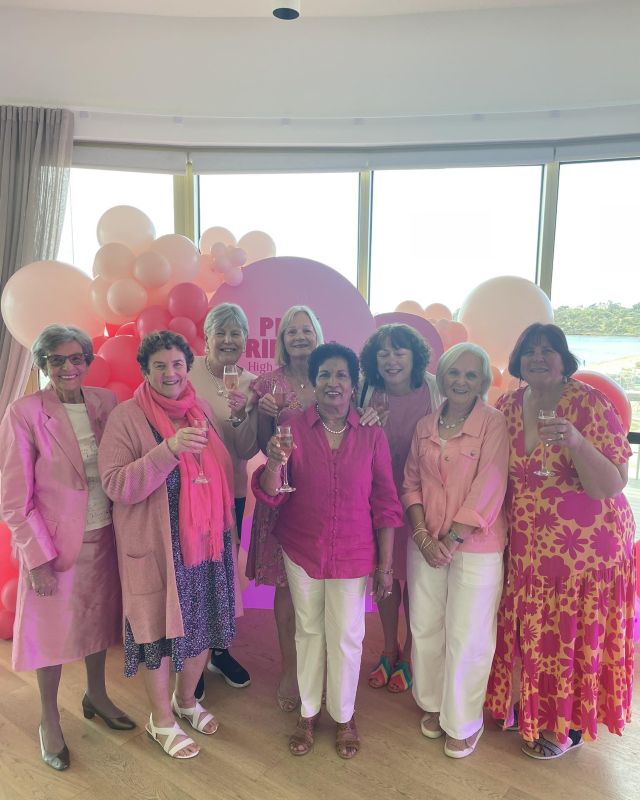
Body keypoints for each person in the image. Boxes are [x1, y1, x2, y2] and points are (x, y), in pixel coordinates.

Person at [484, 323, 635, 760]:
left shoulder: (590, 403)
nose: (537, 357)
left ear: (564, 358)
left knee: (568, 636)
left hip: (587, 550)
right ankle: (532, 705)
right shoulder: (509, 405)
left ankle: (564, 722)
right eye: (529, 350)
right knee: (535, 635)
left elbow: (611, 485)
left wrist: (575, 441)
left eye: (548, 350)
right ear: (517, 361)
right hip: (528, 547)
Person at [254, 343, 404, 758]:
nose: (333, 383)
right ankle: (307, 712)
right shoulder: (291, 428)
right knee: (309, 631)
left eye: (341, 376)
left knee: (348, 636)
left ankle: (343, 715)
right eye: (325, 376)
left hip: (355, 554)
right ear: (313, 384)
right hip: (302, 548)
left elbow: (387, 502)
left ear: (354, 386)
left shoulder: (372, 434)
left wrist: (386, 566)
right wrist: (272, 464)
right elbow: (271, 495)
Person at [0, 324, 133, 772]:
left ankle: (96, 695)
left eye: (77, 358)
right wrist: (36, 560)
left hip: (108, 534)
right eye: (57, 359)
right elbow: (13, 501)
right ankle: (49, 718)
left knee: (99, 623)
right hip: (54, 546)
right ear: (43, 365)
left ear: (88, 361)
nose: (68, 367)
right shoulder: (25, 412)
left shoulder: (105, 403)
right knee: (50, 638)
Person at [98, 331, 236, 760]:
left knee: (204, 622)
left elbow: (222, 470)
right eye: (160, 365)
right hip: (158, 548)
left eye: (177, 364)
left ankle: (187, 700)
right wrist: (168, 450)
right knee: (156, 632)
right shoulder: (126, 418)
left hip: (205, 543)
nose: (171, 373)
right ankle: (161, 719)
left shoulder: (202, 409)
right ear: (145, 371)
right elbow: (116, 484)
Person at [401, 342, 508, 758]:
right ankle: (432, 704)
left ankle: (463, 719)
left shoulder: (493, 424)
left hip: (474, 546)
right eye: (453, 373)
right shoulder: (426, 424)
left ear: (482, 381)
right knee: (426, 627)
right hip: (425, 542)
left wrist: (451, 539)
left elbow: (490, 486)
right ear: (441, 378)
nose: (460, 381)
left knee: (468, 634)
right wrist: (424, 536)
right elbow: (410, 482)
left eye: (470, 375)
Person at [246, 305, 323, 712]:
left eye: (305, 330)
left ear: (317, 334)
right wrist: (264, 417)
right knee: (286, 591)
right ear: (282, 341)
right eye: (291, 331)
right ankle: (291, 671)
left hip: (324, 497)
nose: (299, 337)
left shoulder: (334, 376)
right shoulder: (268, 384)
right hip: (282, 494)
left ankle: (321, 670)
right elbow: (262, 447)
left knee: (323, 590)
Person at [359, 323, 441, 693]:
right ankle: (389, 648)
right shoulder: (366, 391)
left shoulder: (435, 389)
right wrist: (365, 427)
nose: (391, 360)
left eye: (399, 352)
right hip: (378, 502)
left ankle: (410, 653)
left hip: (423, 504)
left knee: (417, 582)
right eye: (383, 353)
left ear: (415, 357)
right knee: (386, 577)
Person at [190, 302, 259, 693]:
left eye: (236, 333)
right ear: (207, 338)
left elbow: (248, 450)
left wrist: (241, 416)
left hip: (230, 492)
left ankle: (219, 650)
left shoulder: (251, 382)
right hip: (190, 494)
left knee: (224, 573)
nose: (229, 340)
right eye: (221, 332)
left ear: (245, 340)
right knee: (195, 575)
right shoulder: (186, 372)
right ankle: (193, 658)